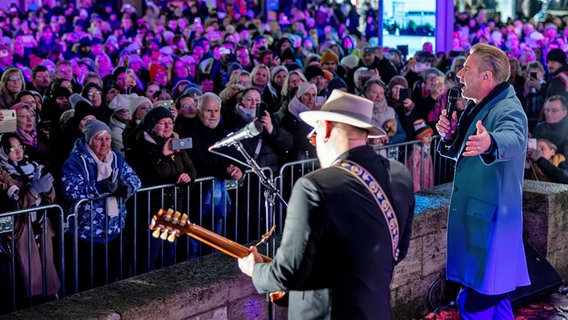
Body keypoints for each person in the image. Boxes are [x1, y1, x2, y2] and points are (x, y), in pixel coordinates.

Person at [238, 90, 415, 319]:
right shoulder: (400, 174)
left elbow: (288, 274)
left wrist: (255, 270)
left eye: (313, 135)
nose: (314, 142)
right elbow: (397, 252)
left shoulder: (313, 186)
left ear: (326, 128)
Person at [435, 43, 530, 318]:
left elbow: (514, 139)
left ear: (486, 77)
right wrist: (451, 135)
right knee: (493, 301)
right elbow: (466, 150)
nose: (460, 73)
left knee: (474, 303)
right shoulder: (485, 105)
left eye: (467, 68)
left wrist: (491, 142)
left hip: (491, 226)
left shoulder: (507, 108)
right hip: (482, 222)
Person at [61, 119, 141, 290]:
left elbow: (134, 178)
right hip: (86, 235)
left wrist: (128, 187)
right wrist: (102, 186)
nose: (104, 144)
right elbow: (71, 191)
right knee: (89, 283)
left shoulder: (116, 157)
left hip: (113, 231)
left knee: (112, 281)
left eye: (107, 138)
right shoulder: (74, 162)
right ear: (89, 141)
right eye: (99, 139)